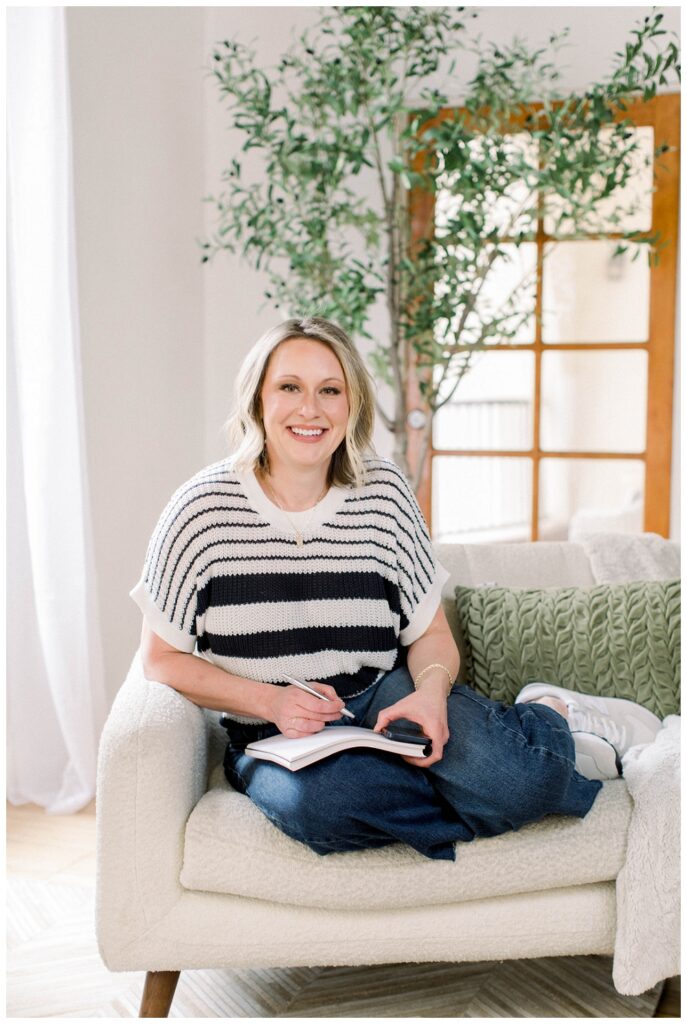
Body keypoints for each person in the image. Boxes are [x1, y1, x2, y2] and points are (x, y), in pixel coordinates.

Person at [132, 316, 662, 861]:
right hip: (270, 732)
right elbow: (161, 659)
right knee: (328, 804)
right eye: (289, 387)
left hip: (385, 696)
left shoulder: (383, 492)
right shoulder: (200, 510)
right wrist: (271, 700)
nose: (310, 409)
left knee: (518, 782)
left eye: (330, 390)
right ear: (257, 400)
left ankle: (551, 716)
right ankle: (507, 768)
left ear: (352, 405)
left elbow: (431, 634)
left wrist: (429, 697)